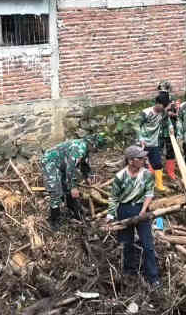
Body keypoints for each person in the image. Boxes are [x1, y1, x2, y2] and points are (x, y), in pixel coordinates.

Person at [105, 146, 161, 287]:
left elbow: (149, 193)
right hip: (124, 209)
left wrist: (143, 210)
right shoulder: (120, 176)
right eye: (140, 158)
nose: (143, 160)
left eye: (143, 157)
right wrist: (110, 215)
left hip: (141, 208)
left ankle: (153, 276)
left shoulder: (147, 174)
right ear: (130, 161)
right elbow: (114, 197)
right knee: (126, 243)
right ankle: (129, 272)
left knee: (147, 244)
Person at [42, 133, 106, 230]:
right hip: (50, 162)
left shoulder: (85, 148)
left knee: (66, 187)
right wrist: (73, 187)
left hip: (62, 162)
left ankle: (72, 208)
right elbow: (70, 169)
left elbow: (84, 164)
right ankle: (54, 220)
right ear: (93, 145)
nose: (96, 151)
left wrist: (88, 176)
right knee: (56, 192)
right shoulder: (78, 149)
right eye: (96, 149)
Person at [137, 95, 169, 192]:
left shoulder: (163, 113)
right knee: (142, 166)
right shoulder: (145, 113)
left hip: (154, 143)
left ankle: (159, 185)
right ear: (157, 103)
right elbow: (136, 126)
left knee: (158, 164)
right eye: (163, 106)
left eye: (165, 106)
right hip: (143, 143)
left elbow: (167, 121)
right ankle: (142, 187)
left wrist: (171, 127)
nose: (164, 108)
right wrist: (140, 139)